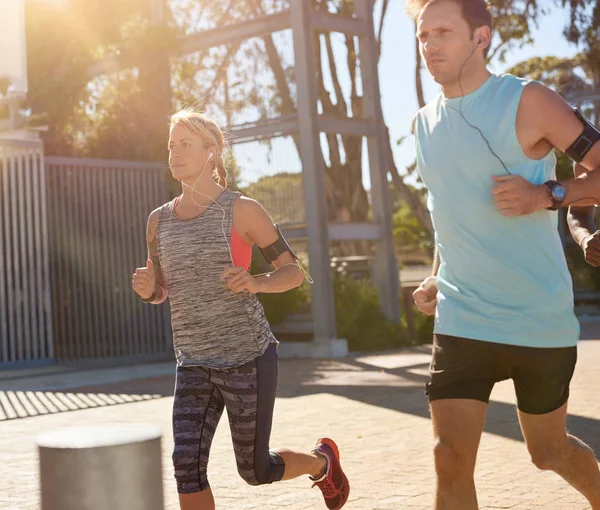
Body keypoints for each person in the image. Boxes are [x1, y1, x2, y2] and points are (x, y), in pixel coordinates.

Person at [406, 0, 600, 508]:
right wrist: (435, 277)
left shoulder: (528, 101)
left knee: (548, 451)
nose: (430, 45)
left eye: (443, 32)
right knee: (448, 456)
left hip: (537, 315)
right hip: (462, 315)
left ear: (481, 37)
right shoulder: (423, 125)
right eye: (423, 36)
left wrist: (547, 195)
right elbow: (449, 219)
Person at [131, 108, 350, 510]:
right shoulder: (158, 221)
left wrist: (255, 282)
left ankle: (323, 462)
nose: (174, 154)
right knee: (186, 463)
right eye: (170, 146)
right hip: (193, 360)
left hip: (246, 356)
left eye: (185, 145)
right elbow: (164, 288)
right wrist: (149, 290)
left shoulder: (241, 210)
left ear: (210, 152)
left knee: (255, 470)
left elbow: (292, 272)